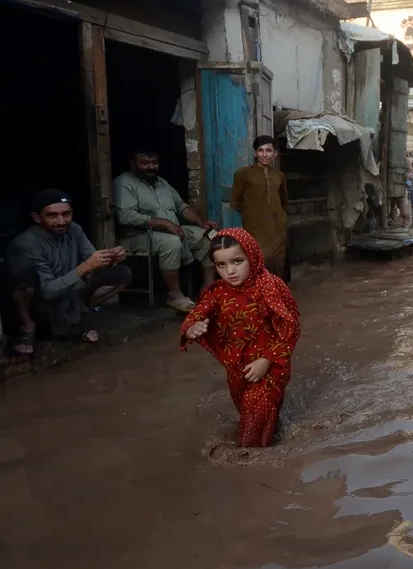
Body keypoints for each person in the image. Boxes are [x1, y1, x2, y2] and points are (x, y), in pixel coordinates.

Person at [180, 229, 301, 448]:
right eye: (221, 265)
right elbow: (196, 315)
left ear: (252, 256)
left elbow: (290, 328)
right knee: (251, 416)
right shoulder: (217, 292)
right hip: (237, 370)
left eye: (237, 261)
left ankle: (251, 471)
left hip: (271, 367)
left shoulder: (270, 287)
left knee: (251, 435)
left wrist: (265, 361)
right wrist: (191, 328)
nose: (230, 271)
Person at [6, 189, 131, 355]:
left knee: (122, 274)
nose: (61, 221)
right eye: (52, 216)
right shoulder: (27, 243)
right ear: (37, 218)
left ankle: (82, 310)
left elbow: (93, 259)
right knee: (22, 278)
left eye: (66, 214)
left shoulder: (74, 229)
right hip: (42, 300)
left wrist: (111, 258)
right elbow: (48, 291)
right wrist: (85, 267)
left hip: (69, 291)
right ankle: (29, 326)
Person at [114, 149, 217, 313]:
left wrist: (201, 222)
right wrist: (163, 223)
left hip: (171, 229)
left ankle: (208, 289)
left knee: (209, 236)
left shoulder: (162, 182)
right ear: (133, 164)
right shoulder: (124, 183)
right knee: (171, 242)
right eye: (144, 162)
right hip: (137, 236)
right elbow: (125, 216)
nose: (151, 167)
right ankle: (174, 295)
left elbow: (181, 207)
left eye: (154, 162)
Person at [231, 136, 290, 284]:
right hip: (255, 228)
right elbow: (235, 202)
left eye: (269, 151)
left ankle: (277, 295)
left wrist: (280, 218)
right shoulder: (243, 174)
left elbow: (284, 201)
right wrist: (252, 214)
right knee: (257, 262)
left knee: (278, 264)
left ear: (275, 154)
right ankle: (259, 297)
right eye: (261, 150)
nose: (265, 154)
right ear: (255, 153)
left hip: (277, 229)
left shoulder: (279, 176)